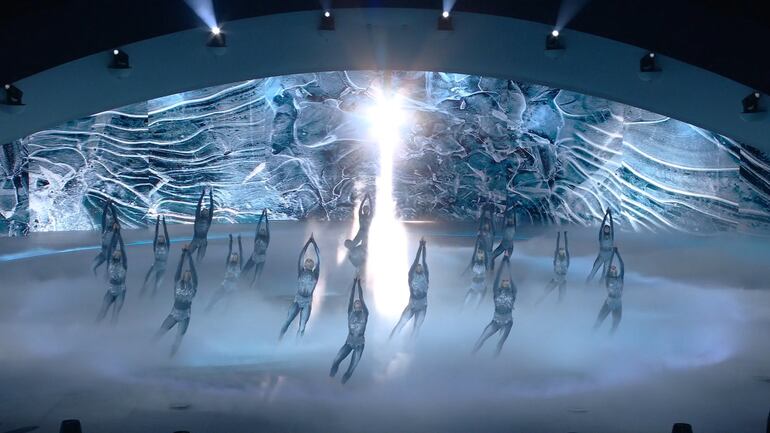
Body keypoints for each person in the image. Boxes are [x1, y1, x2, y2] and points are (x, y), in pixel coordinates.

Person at [155, 245, 198, 356]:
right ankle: (148, 349)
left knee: (178, 338)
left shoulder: (194, 286)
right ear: (183, 276)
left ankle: (171, 357)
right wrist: (183, 255)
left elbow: (194, 271)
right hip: (174, 313)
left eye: (189, 274)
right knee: (161, 332)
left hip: (185, 315)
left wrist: (189, 255)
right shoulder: (177, 282)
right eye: (186, 273)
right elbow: (178, 269)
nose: (187, 274)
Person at [472, 252, 516, 356]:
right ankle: (470, 356)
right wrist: (503, 261)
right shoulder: (496, 291)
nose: (505, 282)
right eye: (503, 281)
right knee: (481, 338)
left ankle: (494, 364)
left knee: (499, 344)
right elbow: (498, 277)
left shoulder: (513, 292)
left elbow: (509, 276)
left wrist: (507, 261)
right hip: (496, 322)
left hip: (507, 322)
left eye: (507, 282)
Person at [279, 235, 320, 339]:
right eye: (307, 261)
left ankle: (297, 346)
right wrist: (308, 243)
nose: (309, 262)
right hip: (297, 300)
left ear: (313, 265)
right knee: (287, 321)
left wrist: (314, 244)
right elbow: (301, 256)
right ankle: (278, 340)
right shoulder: (301, 271)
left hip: (307, 302)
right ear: (305, 264)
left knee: (302, 327)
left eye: (311, 262)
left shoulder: (315, 274)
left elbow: (319, 258)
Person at [329, 277, 369, 384]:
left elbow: (361, 297)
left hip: (359, 344)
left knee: (351, 369)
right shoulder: (350, 312)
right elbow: (351, 298)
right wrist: (354, 284)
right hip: (349, 342)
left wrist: (359, 284)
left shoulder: (365, 314)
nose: (358, 304)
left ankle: (342, 385)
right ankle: (330, 379)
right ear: (354, 306)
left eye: (359, 303)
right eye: (356, 303)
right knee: (336, 361)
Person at [390, 238, 429, 339]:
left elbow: (424, 261)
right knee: (401, 324)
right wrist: (420, 247)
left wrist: (424, 248)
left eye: (420, 267)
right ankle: (389, 341)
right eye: (417, 266)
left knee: (416, 328)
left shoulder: (426, 275)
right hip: (412, 304)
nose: (419, 267)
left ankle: (411, 345)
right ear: (415, 268)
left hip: (423, 306)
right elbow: (417, 260)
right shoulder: (411, 275)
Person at [96, 230, 127, 324]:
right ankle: (94, 327)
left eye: (118, 253)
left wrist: (119, 235)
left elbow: (122, 248)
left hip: (121, 291)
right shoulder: (109, 261)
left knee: (115, 314)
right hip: (111, 290)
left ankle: (111, 333)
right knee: (103, 311)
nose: (116, 254)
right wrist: (114, 233)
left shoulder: (124, 264)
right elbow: (109, 248)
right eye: (115, 253)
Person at [206, 234, 243, 312]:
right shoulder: (228, 263)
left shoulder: (239, 265)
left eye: (235, 257)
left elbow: (241, 252)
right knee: (215, 297)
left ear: (237, 258)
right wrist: (231, 240)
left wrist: (239, 241)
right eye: (232, 257)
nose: (233, 257)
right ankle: (208, 308)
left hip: (233, 286)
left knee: (229, 303)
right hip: (225, 284)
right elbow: (229, 252)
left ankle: (225, 313)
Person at [593, 247, 625, 334]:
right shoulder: (608, 278)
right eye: (612, 269)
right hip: (609, 302)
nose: (614, 270)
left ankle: (609, 338)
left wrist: (617, 253)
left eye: (615, 269)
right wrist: (612, 255)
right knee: (599, 320)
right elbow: (608, 266)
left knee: (616, 322)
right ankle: (591, 335)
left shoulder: (620, 278)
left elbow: (622, 265)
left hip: (618, 303)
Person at [535, 231, 570, 305]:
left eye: (562, 251)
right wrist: (558, 235)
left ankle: (558, 309)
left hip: (563, 280)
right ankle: (537, 304)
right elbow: (557, 247)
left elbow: (567, 247)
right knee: (545, 292)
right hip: (555, 279)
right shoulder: (556, 258)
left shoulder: (567, 259)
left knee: (562, 297)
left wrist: (565, 235)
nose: (561, 252)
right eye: (560, 251)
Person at [140, 216, 170, 297]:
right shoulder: (155, 246)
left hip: (163, 267)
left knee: (157, 285)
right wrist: (157, 221)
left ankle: (153, 298)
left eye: (162, 239)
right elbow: (156, 234)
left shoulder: (167, 246)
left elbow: (166, 233)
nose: (160, 240)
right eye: (159, 239)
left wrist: (163, 222)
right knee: (147, 281)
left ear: (164, 240)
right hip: (155, 266)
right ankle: (141, 294)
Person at [243, 209, 270, 287]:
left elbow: (267, 228)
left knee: (257, 275)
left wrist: (266, 216)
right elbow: (258, 226)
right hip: (254, 256)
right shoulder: (257, 237)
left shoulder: (267, 239)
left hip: (261, 258)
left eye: (263, 230)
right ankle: (241, 283)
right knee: (245, 270)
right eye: (262, 230)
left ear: (265, 233)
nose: (262, 230)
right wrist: (262, 215)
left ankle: (252, 288)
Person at [586, 208, 615, 283]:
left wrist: (610, 215)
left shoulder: (611, 236)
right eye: (605, 229)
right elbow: (602, 226)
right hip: (602, 255)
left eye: (608, 229)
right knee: (594, 269)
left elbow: (611, 225)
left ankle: (600, 286)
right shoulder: (601, 236)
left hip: (609, 255)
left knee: (605, 273)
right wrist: (606, 215)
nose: (606, 230)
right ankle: (587, 283)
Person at [92, 199, 120, 275]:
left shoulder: (116, 231)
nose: (110, 221)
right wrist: (106, 205)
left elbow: (115, 218)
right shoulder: (105, 230)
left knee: (111, 271)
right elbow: (103, 217)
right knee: (93, 268)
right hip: (103, 253)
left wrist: (111, 206)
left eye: (111, 220)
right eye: (109, 220)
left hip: (111, 253)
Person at [188, 187, 214, 262]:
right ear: (201, 213)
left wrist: (211, 195)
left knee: (199, 260)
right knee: (186, 255)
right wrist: (202, 195)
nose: (205, 211)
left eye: (206, 211)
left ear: (208, 214)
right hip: (195, 240)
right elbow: (198, 206)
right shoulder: (198, 218)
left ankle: (197, 270)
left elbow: (212, 207)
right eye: (203, 210)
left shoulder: (209, 220)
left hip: (203, 241)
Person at [463, 238, 489, 308]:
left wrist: (483, 243)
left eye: (481, 254)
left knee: (479, 295)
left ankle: (476, 309)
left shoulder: (485, 264)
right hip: (474, 285)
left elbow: (486, 255)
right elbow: (474, 253)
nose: (480, 255)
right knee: (470, 295)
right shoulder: (474, 263)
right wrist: (477, 244)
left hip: (481, 285)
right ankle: (463, 308)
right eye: (479, 253)